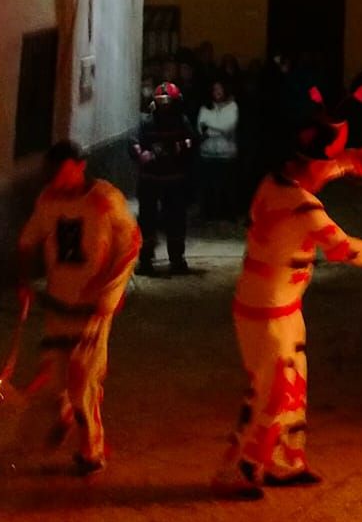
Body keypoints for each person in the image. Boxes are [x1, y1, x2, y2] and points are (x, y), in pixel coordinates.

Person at [212, 112, 362, 498]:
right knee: (273, 392)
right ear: (304, 165)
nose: (326, 173)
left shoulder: (274, 182)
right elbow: (342, 248)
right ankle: (242, 468)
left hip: (281, 308)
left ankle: (287, 462)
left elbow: (317, 172)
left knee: (292, 387)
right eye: (323, 165)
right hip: (265, 312)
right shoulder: (302, 207)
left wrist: (348, 163)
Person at [16, 140, 141, 475]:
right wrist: (24, 283)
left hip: (92, 309)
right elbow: (28, 241)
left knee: (83, 379)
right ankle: (66, 412)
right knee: (54, 375)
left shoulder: (104, 200)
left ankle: (92, 449)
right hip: (58, 303)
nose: (55, 178)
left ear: (79, 166)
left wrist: (109, 293)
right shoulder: (48, 201)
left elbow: (131, 244)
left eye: (61, 171)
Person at [132, 81, 197, 273]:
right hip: (151, 179)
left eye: (168, 102)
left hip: (174, 180)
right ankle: (145, 260)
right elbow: (135, 142)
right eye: (161, 101)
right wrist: (139, 153)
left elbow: (192, 141)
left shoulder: (182, 121)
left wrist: (178, 147)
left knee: (175, 220)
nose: (165, 106)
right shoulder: (146, 121)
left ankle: (176, 259)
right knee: (147, 221)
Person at [196, 79, 241, 222]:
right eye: (215, 89)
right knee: (208, 186)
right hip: (207, 153)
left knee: (227, 186)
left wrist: (210, 129)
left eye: (220, 89)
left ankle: (227, 213)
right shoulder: (205, 108)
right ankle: (208, 213)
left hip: (227, 153)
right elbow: (200, 128)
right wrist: (217, 129)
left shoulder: (232, 106)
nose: (217, 92)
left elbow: (228, 127)